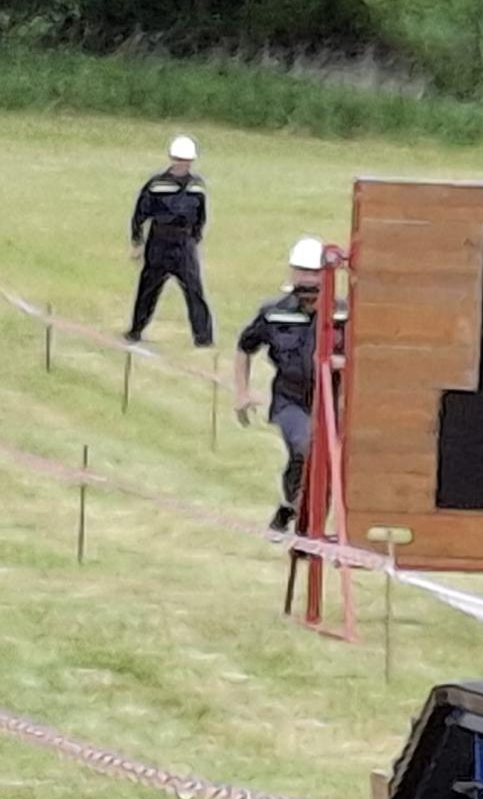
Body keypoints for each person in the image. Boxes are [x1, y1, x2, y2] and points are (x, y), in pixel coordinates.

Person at [234, 237, 347, 532]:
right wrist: (242, 392)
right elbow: (245, 347)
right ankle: (295, 507)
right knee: (305, 446)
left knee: (329, 466)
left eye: (315, 274)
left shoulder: (344, 314)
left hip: (333, 401)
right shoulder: (274, 312)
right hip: (291, 400)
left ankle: (303, 522)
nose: (309, 281)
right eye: (303, 272)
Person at [125, 134, 213, 346]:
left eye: (186, 160)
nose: (183, 164)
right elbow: (140, 213)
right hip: (159, 242)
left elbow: (201, 215)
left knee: (194, 290)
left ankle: (203, 338)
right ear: (172, 159)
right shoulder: (157, 184)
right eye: (179, 159)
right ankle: (136, 330)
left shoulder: (197, 186)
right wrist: (137, 242)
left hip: (184, 244)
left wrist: (195, 238)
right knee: (148, 289)